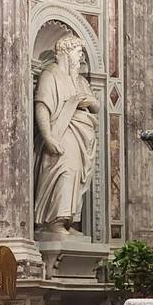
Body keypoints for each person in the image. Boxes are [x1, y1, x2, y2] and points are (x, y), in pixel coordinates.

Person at [34, 34, 99, 234]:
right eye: (78, 53)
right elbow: (42, 106)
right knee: (66, 171)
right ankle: (54, 221)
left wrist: (89, 101)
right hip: (61, 131)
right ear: (66, 52)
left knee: (77, 175)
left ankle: (67, 219)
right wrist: (48, 137)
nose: (81, 58)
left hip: (82, 135)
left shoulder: (80, 81)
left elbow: (96, 105)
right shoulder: (50, 74)